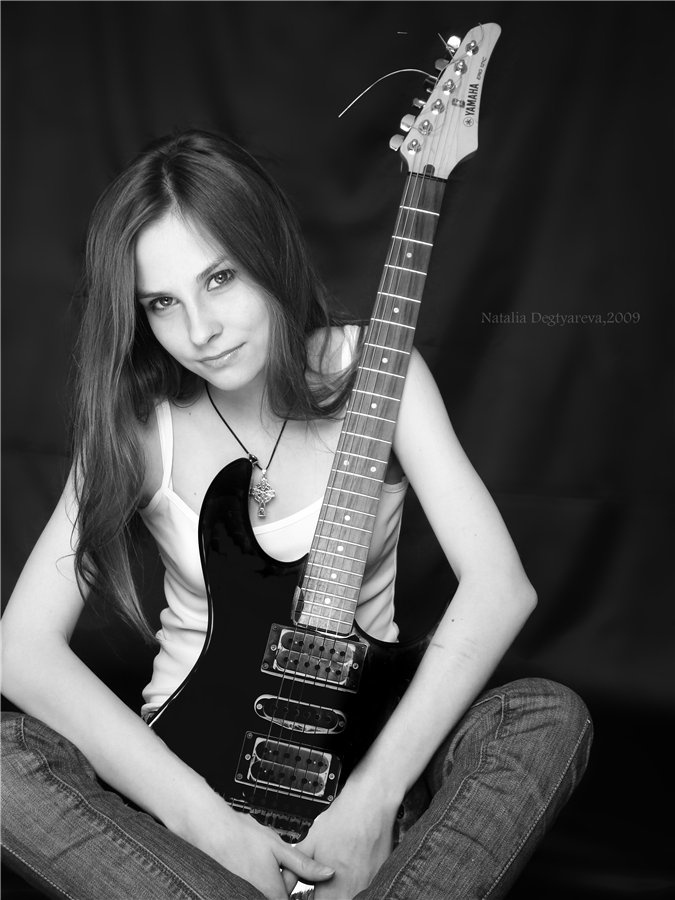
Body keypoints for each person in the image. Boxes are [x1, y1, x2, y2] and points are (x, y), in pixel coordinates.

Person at [1, 129, 592, 900]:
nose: (200, 331)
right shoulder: (140, 423)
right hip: (186, 792)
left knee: (545, 715)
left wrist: (371, 802)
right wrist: (206, 825)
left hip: (365, 768)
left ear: (267, 253)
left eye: (220, 279)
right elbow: (19, 650)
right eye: (162, 303)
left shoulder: (380, 375)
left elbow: (498, 588)